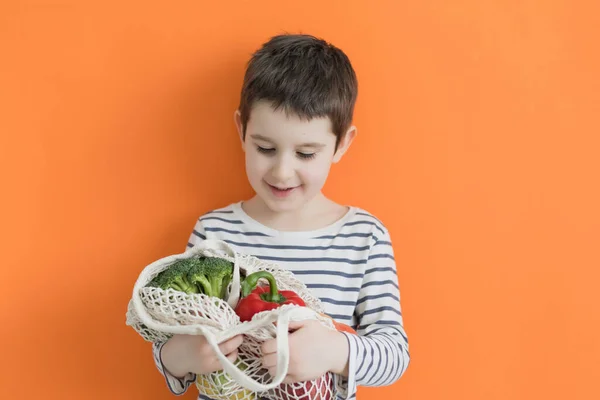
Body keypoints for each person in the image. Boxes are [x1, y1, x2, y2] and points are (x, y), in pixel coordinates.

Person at [152, 33, 410, 399]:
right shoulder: (214, 232)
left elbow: (394, 354)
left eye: (306, 154)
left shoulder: (364, 237)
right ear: (241, 130)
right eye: (265, 148)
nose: (282, 172)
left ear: (342, 145)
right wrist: (180, 356)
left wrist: (334, 351)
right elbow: (168, 342)